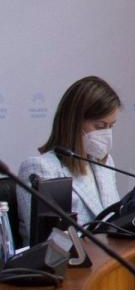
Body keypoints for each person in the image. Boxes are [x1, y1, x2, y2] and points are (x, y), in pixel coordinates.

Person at [16, 76, 123, 242]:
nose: (106, 134)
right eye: (100, 126)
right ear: (73, 122)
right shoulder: (40, 168)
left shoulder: (105, 164)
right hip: (69, 265)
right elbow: (50, 242)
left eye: (111, 126)